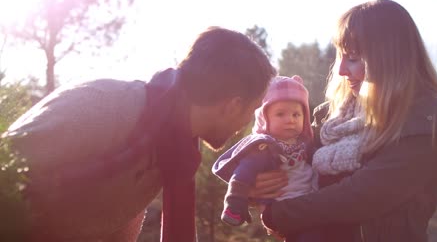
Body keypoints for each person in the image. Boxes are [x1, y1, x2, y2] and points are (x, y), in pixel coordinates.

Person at [2, 27, 276, 242]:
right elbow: (7, 170)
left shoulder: (173, 149)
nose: (248, 123)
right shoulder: (104, 105)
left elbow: (119, 209)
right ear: (233, 105)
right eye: (253, 109)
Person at [253, 0, 437, 242]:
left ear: (388, 58)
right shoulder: (332, 117)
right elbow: (284, 150)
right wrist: (252, 183)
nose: (341, 69)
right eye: (341, 55)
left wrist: (278, 215)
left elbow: (364, 196)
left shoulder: (427, 117)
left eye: (352, 57)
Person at [213, 75, 329, 241]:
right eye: (280, 114)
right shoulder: (264, 148)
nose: (290, 120)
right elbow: (242, 174)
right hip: (284, 207)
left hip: (309, 201)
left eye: (296, 114)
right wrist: (235, 202)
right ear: (264, 118)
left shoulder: (306, 143)